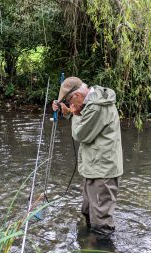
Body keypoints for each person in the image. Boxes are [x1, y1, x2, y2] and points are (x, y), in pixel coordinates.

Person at [52, 77, 123, 237]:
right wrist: (69, 112)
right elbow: (84, 115)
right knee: (87, 212)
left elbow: (80, 133)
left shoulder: (97, 107)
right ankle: (88, 248)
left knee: (101, 224)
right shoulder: (93, 101)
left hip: (103, 172)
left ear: (77, 95)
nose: (71, 105)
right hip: (94, 168)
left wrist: (74, 114)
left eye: (70, 101)